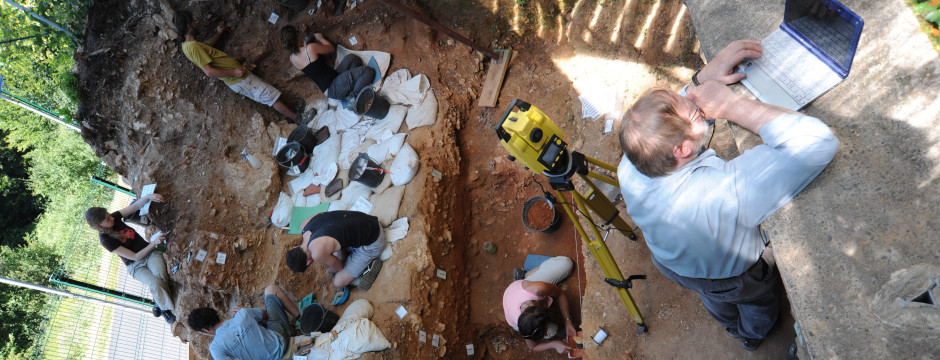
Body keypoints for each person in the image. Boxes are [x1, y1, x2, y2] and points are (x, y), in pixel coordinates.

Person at [617, 40, 839, 351]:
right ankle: (750, 335)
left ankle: (726, 323)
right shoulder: (723, 192)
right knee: (757, 301)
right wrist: (732, 106)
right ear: (682, 150)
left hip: (672, 263)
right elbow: (817, 143)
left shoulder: (632, 162)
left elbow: (658, 127)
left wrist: (701, 79)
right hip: (732, 276)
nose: (698, 101)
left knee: (714, 299)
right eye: (696, 108)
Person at [173, 10, 298, 121]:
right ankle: (297, 118)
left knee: (270, 95)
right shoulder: (193, 47)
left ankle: (294, 113)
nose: (196, 23)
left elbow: (206, 46)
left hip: (238, 79)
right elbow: (209, 71)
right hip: (238, 79)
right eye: (193, 21)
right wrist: (234, 73)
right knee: (271, 97)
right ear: (189, 25)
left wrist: (219, 33)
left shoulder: (187, 45)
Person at [84, 193, 176, 324]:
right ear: (99, 225)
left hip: (150, 254)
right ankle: (166, 310)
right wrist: (153, 243)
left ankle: (158, 301)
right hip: (136, 265)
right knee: (155, 283)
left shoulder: (114, 218)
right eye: (107, 219)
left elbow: (135, 206)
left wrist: (149, 196)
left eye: (108, 215)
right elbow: (135, 256)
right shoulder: (106, 240)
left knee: (160, 275)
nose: (111, 218)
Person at [187, 285, 300, 360]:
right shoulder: (242, 314)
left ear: (205, 330)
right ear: (216, 314)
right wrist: (246, 310)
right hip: (280, 344)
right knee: (271, 289)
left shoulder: (215, 348)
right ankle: (300, 318)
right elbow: (268, 315)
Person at [284, 211, 385, 291]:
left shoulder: (317, 253)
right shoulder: (304, 225)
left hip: (373, 242)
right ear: (296, 247)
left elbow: (339, 267)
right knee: (334, 252)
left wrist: (331, 270)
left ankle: (368, 268)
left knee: (338, 282)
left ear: (308, 262)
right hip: (368, 221)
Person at [502, 256, 578, 357]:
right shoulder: (523, 325)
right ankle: (552, 330)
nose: (545, 334)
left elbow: (559, 294)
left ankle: (525, 275)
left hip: (521, 288)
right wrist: (554, 344)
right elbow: (533, 347)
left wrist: (568, 320)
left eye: (544, 332)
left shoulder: (538, 289)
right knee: (552, 330)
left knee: (567, 264)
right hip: (510, 299)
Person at [279, 25, 376, 101]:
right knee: (368, 71)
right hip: (333, 87)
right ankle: (354, 96)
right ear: (298, 35)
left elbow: (309, 64)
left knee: (352, 58)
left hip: (332, 80)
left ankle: (351, 85)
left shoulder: (292, 58)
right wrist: (320, 38)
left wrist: (305, 44)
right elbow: (330, 48)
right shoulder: (310, 48)